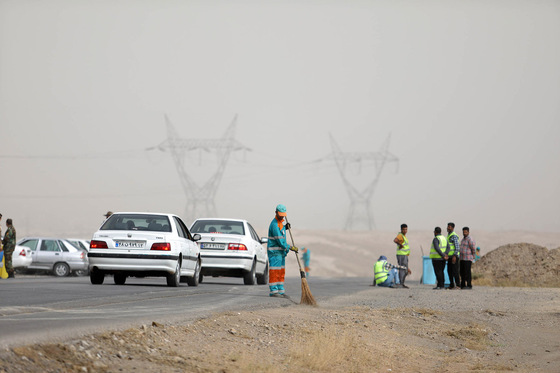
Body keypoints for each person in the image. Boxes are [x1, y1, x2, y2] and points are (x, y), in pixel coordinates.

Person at [267, 204, 297, 297]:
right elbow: (280, 241)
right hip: (275, 253)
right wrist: (290, 247)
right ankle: (274, 291)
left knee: (280, 272)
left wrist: (285, 227)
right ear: (276, 212)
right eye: (280, 214)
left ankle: (280, 290)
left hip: (280, 253)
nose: (282, 216)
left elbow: (281, 231)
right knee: (274, 272)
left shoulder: (280, 224)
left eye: (283, 215)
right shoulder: (274, 225)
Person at [393, 223, 410, 288]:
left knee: (405, 270)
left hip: (404, 255)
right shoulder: (400, 235)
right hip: (401, 255)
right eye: (404, 229)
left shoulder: (404, 236)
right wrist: (400, 245)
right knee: (402, 269)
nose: (405, 231)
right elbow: (395, 240)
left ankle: (402, 283)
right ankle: (400, 283)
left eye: (406, 229)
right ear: (401, 230)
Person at [446, 222, 461, 290]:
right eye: (448, 227)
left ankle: (458, 285)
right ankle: (451, 284)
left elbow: (457, 247)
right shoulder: (449, 235)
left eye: (449, 227)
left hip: (454, 256)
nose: (448, 228)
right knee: (449, 271)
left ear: (453, 228)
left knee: (455, 271)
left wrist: (454, 256)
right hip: (449, 256)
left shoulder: (454, 235)